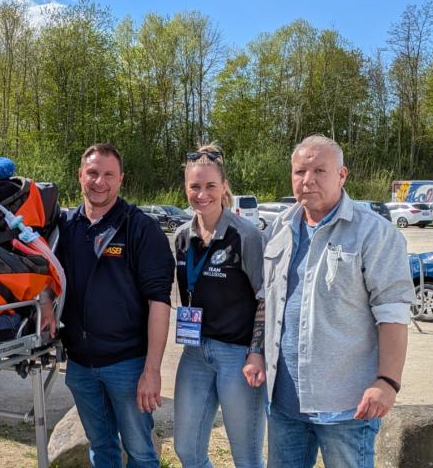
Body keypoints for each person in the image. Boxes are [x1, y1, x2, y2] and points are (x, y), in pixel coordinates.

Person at [263, 135, 414, 468]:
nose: (308, 180)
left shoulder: (373, 232)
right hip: (285, 404)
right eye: (301, 171)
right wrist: (254, 351)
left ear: (342, 175)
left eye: (320, 170)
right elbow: (266, 300)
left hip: (347, 405)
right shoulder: (280, 228)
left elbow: (393, 312)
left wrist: (387, 382)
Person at [40, 143, 174, 467]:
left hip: (127, 365)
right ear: (80, 176)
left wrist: (152, 371)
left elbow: (160, 302)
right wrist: (45, 303)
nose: (100, 182)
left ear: (121, 179)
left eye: (108, 175)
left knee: (141, 452)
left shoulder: (141, 228)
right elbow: (44, 274)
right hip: (81, 366)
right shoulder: (65, 228)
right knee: (101, 448)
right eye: (93, 173)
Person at [172, 144, 266, 468]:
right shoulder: (182, 237)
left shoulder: (246, 236)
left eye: (210, 185)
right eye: (195, 186)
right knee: (187, 450)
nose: (202, 194)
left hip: (237, 356)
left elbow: (265, 298)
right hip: (195, 353)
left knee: (247, 458)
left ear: (224, 186)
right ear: (185, 188)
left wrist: (257, 352)